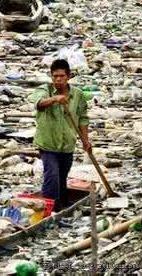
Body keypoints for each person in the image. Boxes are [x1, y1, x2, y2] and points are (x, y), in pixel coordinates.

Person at [28, 59, 92, 212]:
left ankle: (62, 203)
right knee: (52, 175)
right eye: (55, 76)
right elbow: (39, 103)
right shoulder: (45, 90)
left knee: (62, 176)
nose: (58, 79)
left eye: (61, 76)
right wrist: (55, 99)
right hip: (48, 143)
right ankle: (50, 210)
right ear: (51, 76)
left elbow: (82, 117)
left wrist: (85, 140)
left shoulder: (77, 95)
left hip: (67, 143)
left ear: (68, 76)